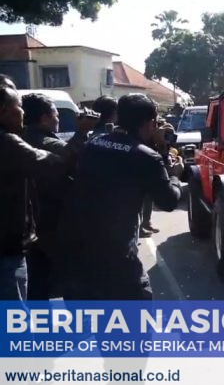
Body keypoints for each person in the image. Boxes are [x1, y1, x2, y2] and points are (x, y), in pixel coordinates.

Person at [57, 94, 182, 300]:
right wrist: (175, 175)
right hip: (117, 259)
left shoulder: (93, 144)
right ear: (151, 123)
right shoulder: (146, 157)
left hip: (78, 253)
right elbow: (168, 201)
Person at [21, 93, 96, 300]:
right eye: (55, 114)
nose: (58, 118)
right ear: (45, 117)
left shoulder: (18, 139)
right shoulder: (43, 142)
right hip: (55, 223)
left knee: (37, 282)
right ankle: (81, 327)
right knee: (75, 279)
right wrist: (82, 132)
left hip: (31, 224)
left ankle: (39, 329)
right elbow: (68, 157)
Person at [0, 85, 63, 300]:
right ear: (2, 110)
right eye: (17, 106)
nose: (22, 112)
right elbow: (45, 161)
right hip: (9, 248)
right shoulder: (8, 141)